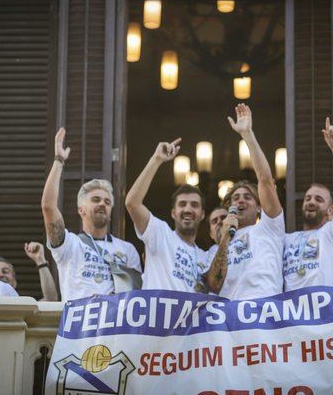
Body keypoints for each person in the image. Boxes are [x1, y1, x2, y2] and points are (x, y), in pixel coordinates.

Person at [42, 128, 141, 302]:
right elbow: (48, 206)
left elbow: (136, 296)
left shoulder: (128, 250)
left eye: (107, 202)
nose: (103, 203)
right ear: (81, 209)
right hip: (80, 327)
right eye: (96, 199)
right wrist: (59, 160)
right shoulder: (70, 244)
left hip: (115, 327)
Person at [212, 103, 285, 299]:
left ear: (260, 207)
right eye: (235, 198)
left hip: (263, 313)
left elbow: (265, 180)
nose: (241, 201)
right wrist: (225, 239)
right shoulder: (221, 243)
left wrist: (247, 135)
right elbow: (212, 286)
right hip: (229, 318)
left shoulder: (270, 227)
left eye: (247, 197)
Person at [125, 138, 214, 293]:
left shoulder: (205, 258)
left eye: (194, 205)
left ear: (202, 215)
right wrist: (156, 159)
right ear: (173, 213)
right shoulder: (160, 233)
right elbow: (132, 203)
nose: (188, 209)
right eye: (182, 204)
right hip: (157, 317)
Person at [283, 117, 333, 291]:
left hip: (326, 315)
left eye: (319, 199)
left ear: (330, 210)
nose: (311, 201)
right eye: (308, 198)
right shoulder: (286, 239)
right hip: (292, 315)